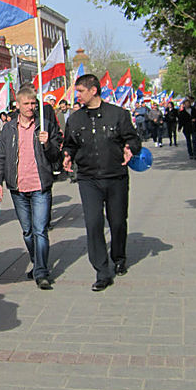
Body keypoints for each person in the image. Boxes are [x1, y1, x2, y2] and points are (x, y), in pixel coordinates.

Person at [62, 74, 141, 291]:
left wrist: (130, 148)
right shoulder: (75, 119)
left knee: (117, 221)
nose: (76, 95)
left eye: (80, 91)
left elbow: (134, 139)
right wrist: (67, 154)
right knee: (94, 223)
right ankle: (102, 271)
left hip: (116, 177)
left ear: (93, 90)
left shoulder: (118, 115)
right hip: (89, 179)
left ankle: (119, 256)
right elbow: (70, 144)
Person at [0, 87, 62, 290]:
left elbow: (56, 156)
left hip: (40, 185)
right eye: (27, 104)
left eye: (34, 103)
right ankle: (37, 261)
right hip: (18, 186)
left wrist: (48, 144)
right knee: (28, 231)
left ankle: (41, 271)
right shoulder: (8, 128)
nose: (31, 107)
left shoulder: (44, 125)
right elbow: (1, 157)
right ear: (18, 105)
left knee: (40, 230)